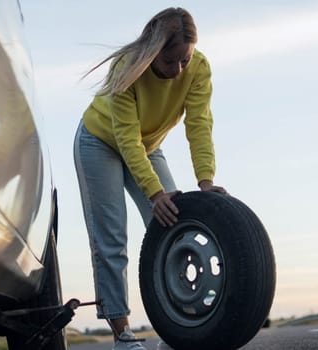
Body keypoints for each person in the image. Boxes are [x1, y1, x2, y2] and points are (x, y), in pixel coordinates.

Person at [74, 7, 226, 350]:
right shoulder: (127, 69)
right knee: (111, 239)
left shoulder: (198, 68)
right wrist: (155, 194)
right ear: (153, 52)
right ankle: (122, 335)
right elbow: (126, 139)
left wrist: (205, 180)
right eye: (170, 62)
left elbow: (199, 124)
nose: (178, 70)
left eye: (184, 60)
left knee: (176, 225)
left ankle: (180, 326)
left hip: (148, 144)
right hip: (99, 142)